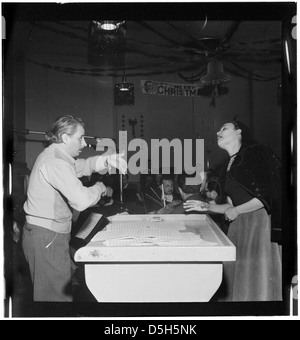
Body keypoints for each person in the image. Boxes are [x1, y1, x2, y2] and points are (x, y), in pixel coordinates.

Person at [22, 115, 127, 302]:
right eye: (80, 138)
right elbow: (81, 201)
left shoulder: (59, 157)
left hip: (48, 234)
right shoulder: (55, 162)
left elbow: (81, 166)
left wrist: (106, 160)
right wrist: (101, 188)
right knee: (55, 301)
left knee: (56, 297)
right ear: (65, 138)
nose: (85, 143)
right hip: (47, 236)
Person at [184, 121, 282, 301]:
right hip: (240, 224)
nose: (218, 132)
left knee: (256, 278)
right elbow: (230, 206)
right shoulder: (228, 166)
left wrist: (236, 211)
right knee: (238, 277)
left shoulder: (252, 153)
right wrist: (207, 207)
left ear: (239, 132)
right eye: (219, 129)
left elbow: (264, 197)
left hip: (258, 225)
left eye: (224, 128)